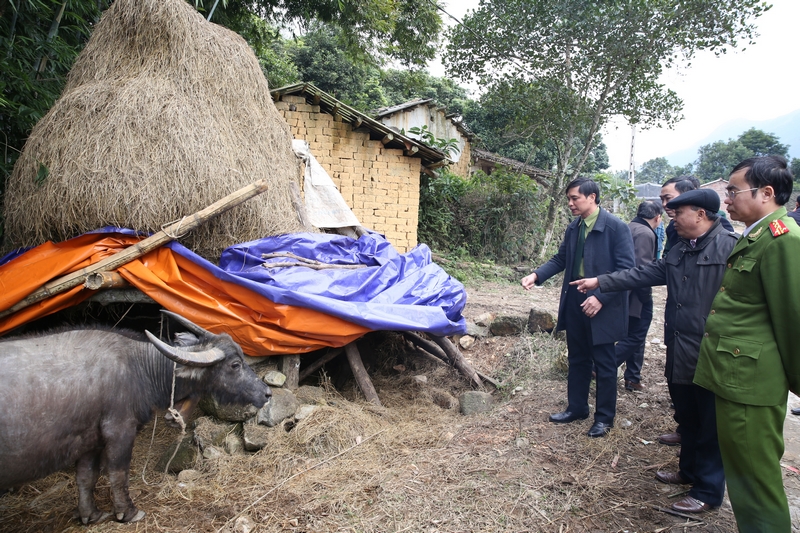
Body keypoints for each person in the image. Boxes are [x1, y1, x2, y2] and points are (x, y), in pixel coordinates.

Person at [572, 189, 736, 514]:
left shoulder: (730, 248)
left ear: (701, 214)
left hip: (712, 352)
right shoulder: (681, 250)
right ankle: (688, 472)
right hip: (680, 347)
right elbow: (642, 273)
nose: (672, 217)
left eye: (679, 212)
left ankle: (707, 491)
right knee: (687, 417)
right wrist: (601, 282)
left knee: (710, 425)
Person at [694, 156, 800, 532]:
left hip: (752, 383)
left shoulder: (783, 241)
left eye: (734, 191)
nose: (727, 200)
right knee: (743, 474)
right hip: (737, 376)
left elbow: (793, 320)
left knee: (756, 480)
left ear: (766, 193)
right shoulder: (757, 234)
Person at [521, 177, 635, 438]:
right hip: (575, 300)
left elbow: (627, 271)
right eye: (569, 199)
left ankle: (604, 418)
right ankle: (577, 408)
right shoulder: (574, 228)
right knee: (577, 358)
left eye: (575, 198)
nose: (570, 203)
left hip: (602, 303)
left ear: (592, 197)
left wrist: (601, 296)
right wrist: (537, 275)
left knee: (605, 363)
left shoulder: (616, 228)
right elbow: (562, 258)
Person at [616, 200, 661, 392]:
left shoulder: (628, 227)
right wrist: (645, 296)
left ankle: (633, 378)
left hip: (621, 290)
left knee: (634, 333)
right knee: (637, 334)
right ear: (657, 217)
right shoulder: (644, 233)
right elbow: (642, 269)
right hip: (634, 294)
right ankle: (601, 364)